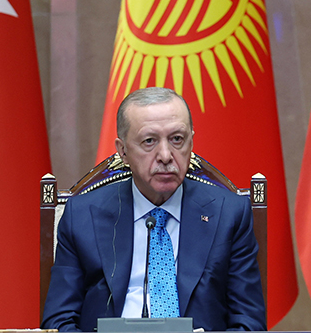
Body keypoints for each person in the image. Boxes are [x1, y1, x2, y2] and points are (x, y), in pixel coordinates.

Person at [42, 87, 265, 331]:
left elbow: (249, 323)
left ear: (191, 142)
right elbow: (58, 321)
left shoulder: (229, 214)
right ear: (123, 151)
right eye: (149, 141)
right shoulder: (82, 216)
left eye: (177, 139)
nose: (166, 156)